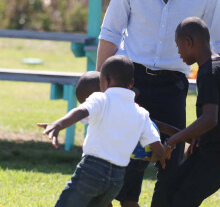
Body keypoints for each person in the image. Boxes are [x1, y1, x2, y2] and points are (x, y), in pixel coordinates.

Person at [96, 0, 220, 207]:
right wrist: (102, 84)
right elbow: (110, 32)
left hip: (173, 84)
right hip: (130, 81)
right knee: (129, 159)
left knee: (171, 159)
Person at [37, 55, 166, 207]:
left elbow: (81, 112)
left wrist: (58, 124)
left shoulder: (100, 98)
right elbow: (156, 145)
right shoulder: (141, 113)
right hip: (117, 178)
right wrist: (165, 152)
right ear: (131, 83)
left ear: (104, 80)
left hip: (92, 169)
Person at [161, 17, 220, 206]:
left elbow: (210, 119)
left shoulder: (207, 72)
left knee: (184, 200)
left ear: (189, 42)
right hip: (218, 146)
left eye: (178, 46)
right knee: (170, 188)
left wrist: (172, 141)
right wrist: (202, 136)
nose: (179, 53)